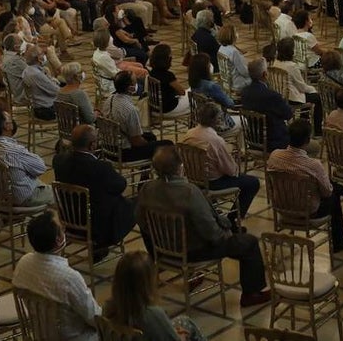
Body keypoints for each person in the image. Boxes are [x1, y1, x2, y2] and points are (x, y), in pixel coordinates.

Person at [137, 146, 270, 307]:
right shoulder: (189, 193)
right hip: (193, 250)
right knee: (248, 243)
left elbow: (142, 221)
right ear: (180, 167)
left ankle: (176, 269)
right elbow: (212, 233)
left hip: (163, 249)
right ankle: (251, 294)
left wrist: (159, 243)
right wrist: (228, 234)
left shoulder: (147, 189)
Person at [12, 211, 101, 339]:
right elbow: (94, 318)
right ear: (59, 240)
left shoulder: (23, 263)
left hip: (40, 335)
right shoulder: (69, 278)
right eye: (62, 229)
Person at [267, 119, 343, 252]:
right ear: (307, 141)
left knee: (329, 186)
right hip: (307, 210)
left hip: (281, 206)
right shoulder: (313, 165)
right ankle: (339, 241)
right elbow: (327, 193)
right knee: (333, 194)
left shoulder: (274, 156)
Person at [53, 124, 136, 253]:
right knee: (136, 203)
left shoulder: (58, 161)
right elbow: (121, 185)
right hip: (97, 227)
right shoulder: (100, 168)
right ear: (92, 145)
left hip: (69, 221)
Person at [104, 252, 206, 341]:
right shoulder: (152, 314)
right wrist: (181, 337)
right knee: (189, 326)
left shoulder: (108, 307)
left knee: (183, 321)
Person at [183, 100, 260, 218]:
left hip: (193, 177)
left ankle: (212, 209)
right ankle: (233, 219)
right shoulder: (215, 140)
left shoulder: (189, 134)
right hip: (213, 182)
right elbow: (230, 170)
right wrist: (235, 165)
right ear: (215, 120)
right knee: (253, 182)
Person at [0, 108, 53, 206]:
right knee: (62, 194)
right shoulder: (13, 151)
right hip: (24, 197)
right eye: (11, 120)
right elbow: (41, 168)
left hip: (0, 197)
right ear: (6, 127)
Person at [104, 71, 167, 161]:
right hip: (123, 152)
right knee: (167, 144)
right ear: (131, 88)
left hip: (108, 146)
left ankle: (145, 174)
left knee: (151, 137)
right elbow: (136, 141)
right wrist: (147, 144)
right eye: (135, 81)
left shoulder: (109, 99)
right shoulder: (130, 110)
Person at [239, 57, 294, 151]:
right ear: (265, 74)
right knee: (312, 146)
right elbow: (288, 114)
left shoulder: (244, 92)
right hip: (275, 142)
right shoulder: (272, 96)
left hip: (253, 140)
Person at [148, 43, 190, 118]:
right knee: (193, 94)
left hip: (155, 107)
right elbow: (182, 92)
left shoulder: (151, 73)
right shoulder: (168, 75)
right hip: (169, 108)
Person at [22, 44, 61, 120]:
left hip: (40, 104)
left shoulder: (28, 70)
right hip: (45, 109)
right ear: (38, 58)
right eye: (42, 54)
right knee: (75, 105)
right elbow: (56, 91)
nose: (44, 55)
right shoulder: (36, 74)